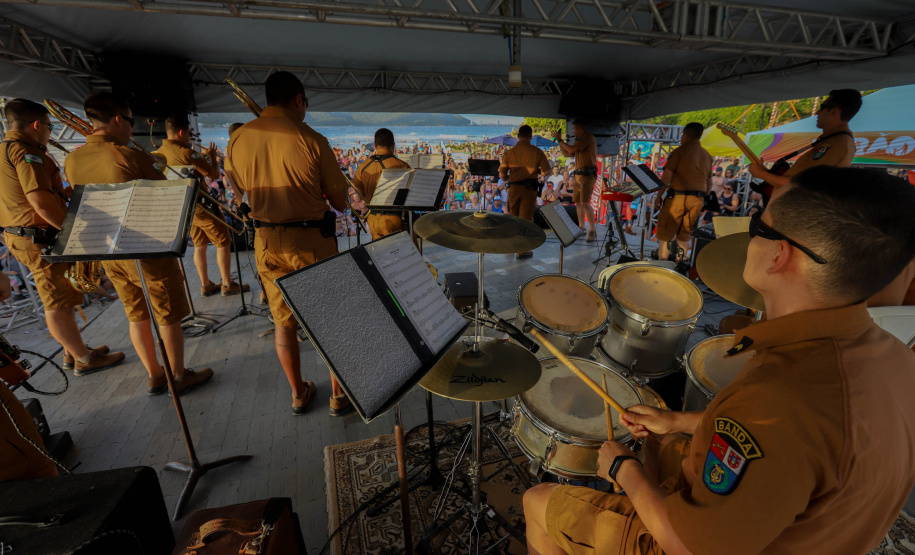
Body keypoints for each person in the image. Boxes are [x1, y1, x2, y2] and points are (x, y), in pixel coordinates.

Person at [523, 166, 915, 555]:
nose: (747, 238)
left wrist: (621, 469)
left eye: (758, 226)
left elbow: (686, 546)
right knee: (662, 442)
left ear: (780, 254)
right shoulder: (897, 358)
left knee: (538, 500)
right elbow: (791, 451)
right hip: (800, 530)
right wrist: (676, 421)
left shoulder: (776, 401)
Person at [64, 92, 212, 395]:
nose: (132, 129)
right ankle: (179, 375)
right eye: (131, 122)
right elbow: (164, 198)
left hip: (109, 252)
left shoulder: (72, 158)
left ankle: (155, 375)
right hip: (146, 249)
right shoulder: (130, 156)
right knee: (167, 313)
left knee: (136, 313)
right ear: (119, 119)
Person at [225, 71, 351, 416]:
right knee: (329, 320)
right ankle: (338, 396)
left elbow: (240, 195)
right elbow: (340, 203)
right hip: (311, 240)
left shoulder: (237, 139)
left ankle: (298, 393)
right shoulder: (312, 138)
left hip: (265, 240)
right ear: (298, 99)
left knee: (283, 321)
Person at [1, 98, 126, 375]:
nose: (49, 131)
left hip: (24, 235)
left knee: (65, 297)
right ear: (36, 125)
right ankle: (84, 360)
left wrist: (62, 195)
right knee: (56, 303)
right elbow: (39, 202)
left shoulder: (4, 150)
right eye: (48, 126)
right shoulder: (26, 152)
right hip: (38, 238)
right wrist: (74, 233)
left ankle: (74, 352)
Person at [153, 115, 249, 298]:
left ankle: (205, 284)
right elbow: (213, 174)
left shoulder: (159, 152)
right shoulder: (187, 152)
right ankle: (227, 283)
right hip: (202, 205)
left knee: (199, 243)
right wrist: (212, 158)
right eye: (189, 133)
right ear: (181, 132)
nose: (190, 137)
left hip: (185, 207)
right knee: (223, 241)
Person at [749, 89, 861, 195]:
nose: (817, 112)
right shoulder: (833, 140)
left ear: (834, 112)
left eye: (822, 107)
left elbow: (805, 185)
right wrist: (766, 173)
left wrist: (762, 174)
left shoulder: (838, 143)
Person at [655, 122, 713, 262]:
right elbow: (709, 185)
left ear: (686, 136)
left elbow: (666, 177)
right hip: (697, 200)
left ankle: (662, 266)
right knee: (684, 236)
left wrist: (658, 196)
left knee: (666, 235)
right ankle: (679, 264)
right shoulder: (707, 155)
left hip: (677, 198)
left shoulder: (680, 151)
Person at [499, 125, 551, 258]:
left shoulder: (510, 152)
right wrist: (538, 172)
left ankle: (512, 245)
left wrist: (508, 177)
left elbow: (502, 175)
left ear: (518, 136)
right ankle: (522, 249)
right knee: (526, 218)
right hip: (529, 189)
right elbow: (548, 171)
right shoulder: (537, 151)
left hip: (514, 189)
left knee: (513, 217)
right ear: (531, 136)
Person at [351, 128, 411, 240]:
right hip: (393, 219)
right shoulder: (402, 166)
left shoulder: (364, 166)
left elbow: (360, 192)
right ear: (393, 146)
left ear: (375, 147)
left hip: (372, 220)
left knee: (379, 255)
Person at [553, 121, 598, 241]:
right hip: (578, 175)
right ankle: (581, 227)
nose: (573, 132)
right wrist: (559, 141)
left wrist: (561, 140)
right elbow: (568, 153)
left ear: (581, 128)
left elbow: (572, 150)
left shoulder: (588, 138)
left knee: (584, 202)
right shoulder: (580, 140)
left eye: (574, 129)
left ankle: (592, 230)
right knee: (578, 202)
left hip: (587, 175)